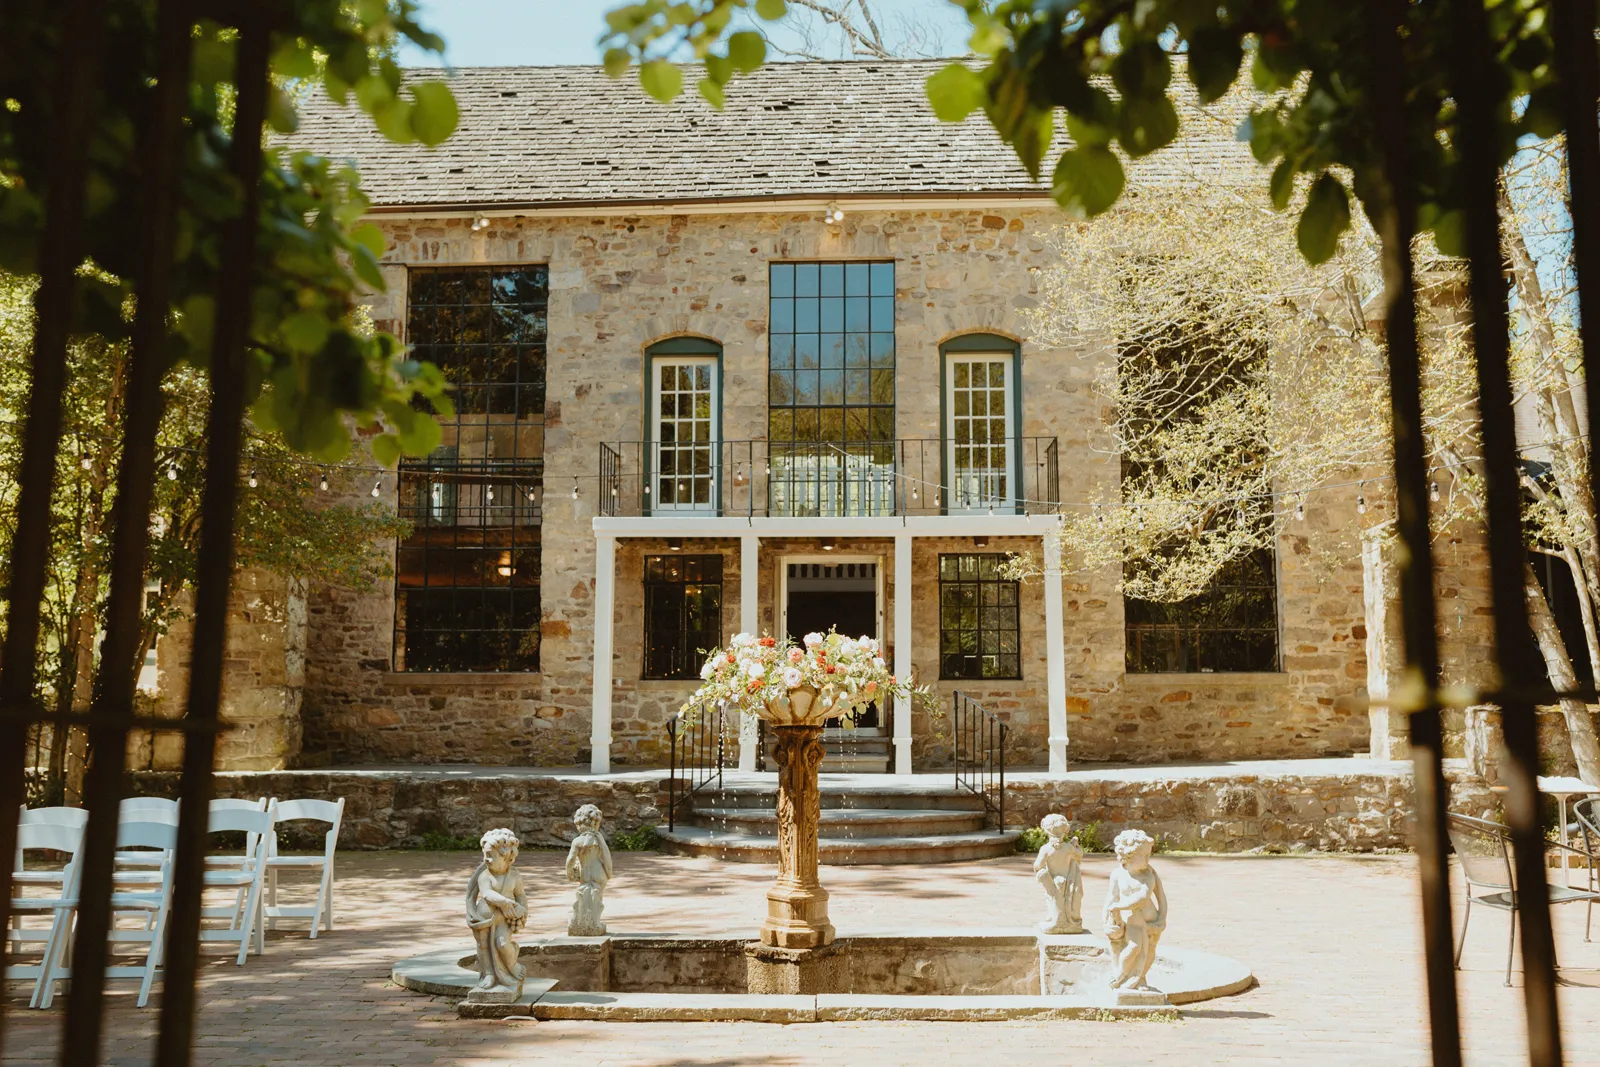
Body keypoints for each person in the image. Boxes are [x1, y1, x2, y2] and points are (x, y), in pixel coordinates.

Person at [1102, 828, 1167, 990]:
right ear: (1129, 855)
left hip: (1150, 919)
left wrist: (1162, 918)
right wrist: (1106, 919)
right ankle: (1121, 975)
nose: (1148, 858)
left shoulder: (1148, 875)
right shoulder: (1117, 874)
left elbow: (1146, 897)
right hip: (1132, 921)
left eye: (1148, 855)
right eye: (1144, 855)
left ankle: (1140, 978)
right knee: (1133, 947)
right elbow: (1111, 897)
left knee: (1149, 951)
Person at [465, 828, 527, 997]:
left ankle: (512, 965)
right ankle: (490, 974)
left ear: (506, 857)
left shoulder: (514, 875)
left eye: (491, 855)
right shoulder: (485, 875)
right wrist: (505, 902)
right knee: (483, 946)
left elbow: (521, 895)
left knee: (502, 943)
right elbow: (487, 894)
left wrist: (522, 908)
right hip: (484, 918)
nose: (486, 859)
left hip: (503, 919)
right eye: (485, 854)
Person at [565, 804, 614, 936]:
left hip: (584, 874)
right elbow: (606, 855)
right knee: (596, 898)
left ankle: (582, 922)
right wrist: (609, 871)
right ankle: (593, 922)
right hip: (599, 873)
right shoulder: (598, 839)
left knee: (583, 896)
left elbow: (570, 859)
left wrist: (569, 872)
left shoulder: (577, 841)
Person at [1033, 813, 1085, 934]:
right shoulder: (1068, 848)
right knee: (1067, 901)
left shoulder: (1046, 849)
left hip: (1054, 881)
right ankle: (1068, 922)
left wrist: (1041, 871)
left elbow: (1037, 865)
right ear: (1065, 830)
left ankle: (1056, 921)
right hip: (1069, 880)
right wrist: (1075, 845)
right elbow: (1079, 855)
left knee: (1053, 900)